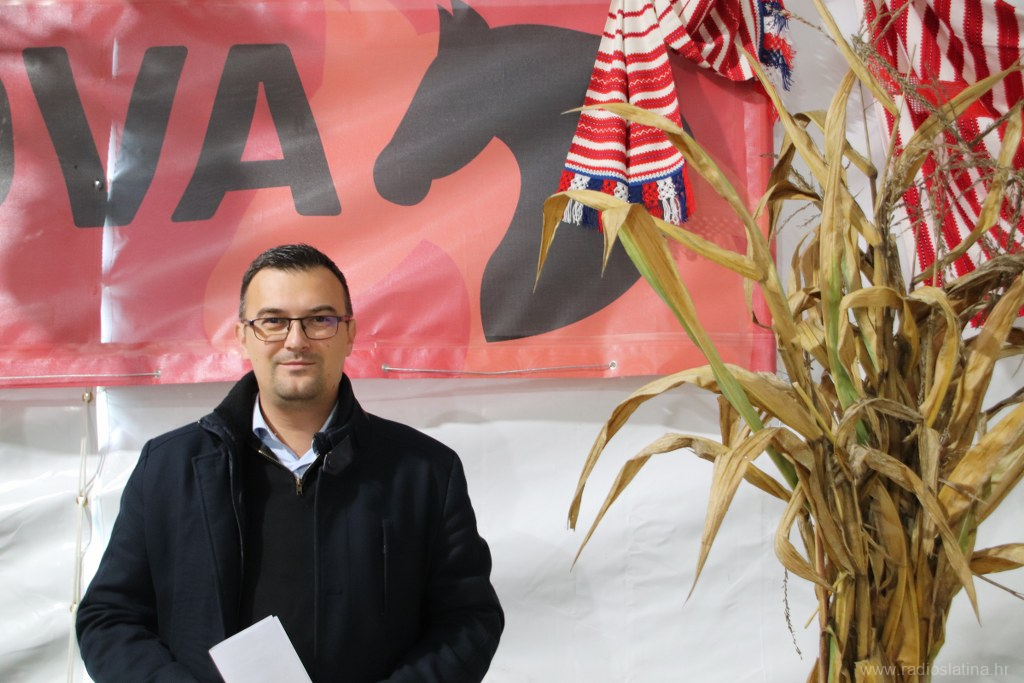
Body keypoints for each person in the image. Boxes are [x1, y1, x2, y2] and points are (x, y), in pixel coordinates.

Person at [77, 243, 503, 682]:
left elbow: (468, 619)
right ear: (243, 335)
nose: (296, 341)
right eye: (273, 321)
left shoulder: (425, 472)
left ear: (349, 333)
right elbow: (109, 618)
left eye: (320, 320)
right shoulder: (168, 468)